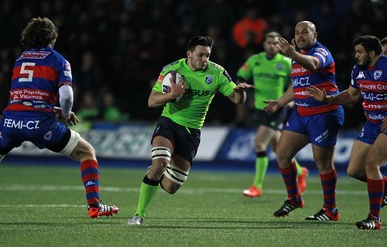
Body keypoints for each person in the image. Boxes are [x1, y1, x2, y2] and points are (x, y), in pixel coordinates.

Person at [0, 17, 119, 219]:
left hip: (11, 122)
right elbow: (66, 94)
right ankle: (94, 205)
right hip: (40, 125)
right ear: (52, 37)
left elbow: (26, 94)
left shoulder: (20, 59)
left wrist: (53, 108)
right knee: (86, 152)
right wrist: (64, 113)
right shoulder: (58, 60)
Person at [127, 36, 253, 225]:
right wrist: (171, 94)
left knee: (170, 188)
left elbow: (237, 99)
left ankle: (157, 171)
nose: (205, 59)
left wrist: (241, 91)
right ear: (189, 54)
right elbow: (151, 101)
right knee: (159, 164)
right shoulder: (172, 70)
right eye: (200, 55)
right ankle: (139, 215)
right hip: (169, 122)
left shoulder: (217, 73)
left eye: (207, 56)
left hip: (192, 132)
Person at [263, 21, 344, 221]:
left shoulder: (321, 52)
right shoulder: (296, 56)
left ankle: (330, 210)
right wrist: (279, 103)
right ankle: (294, 198)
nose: (300, 36)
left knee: (323, 163)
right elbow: (297, 84)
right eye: (297, 32)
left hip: (324, 114)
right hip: (301, 113)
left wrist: (293, 54)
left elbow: (314, 64)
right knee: (282, 154)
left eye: (305, 32)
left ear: (315, 35)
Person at [307, 35, 387, 230]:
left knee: (371, 163)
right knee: (354, 170)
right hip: (371, 124)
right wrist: (328, 98)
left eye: (360, 52)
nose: (356, 55)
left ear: (373, 52)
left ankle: (374, 219)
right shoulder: (358, 69)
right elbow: (351, 95)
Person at [236, 31, 308, 198]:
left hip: (277, 109)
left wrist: (289, 100)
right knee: (279, 150)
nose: (272, 46)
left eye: (276, 43)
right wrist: (242, 86)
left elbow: (299, 81)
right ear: (264, 45)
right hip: (260, 110)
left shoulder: (286, 62)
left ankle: (257, 186)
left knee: (259, 144)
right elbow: (240, 76)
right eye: (269, 43)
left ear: (279, 45)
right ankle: (300, 171)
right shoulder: (255, 60)